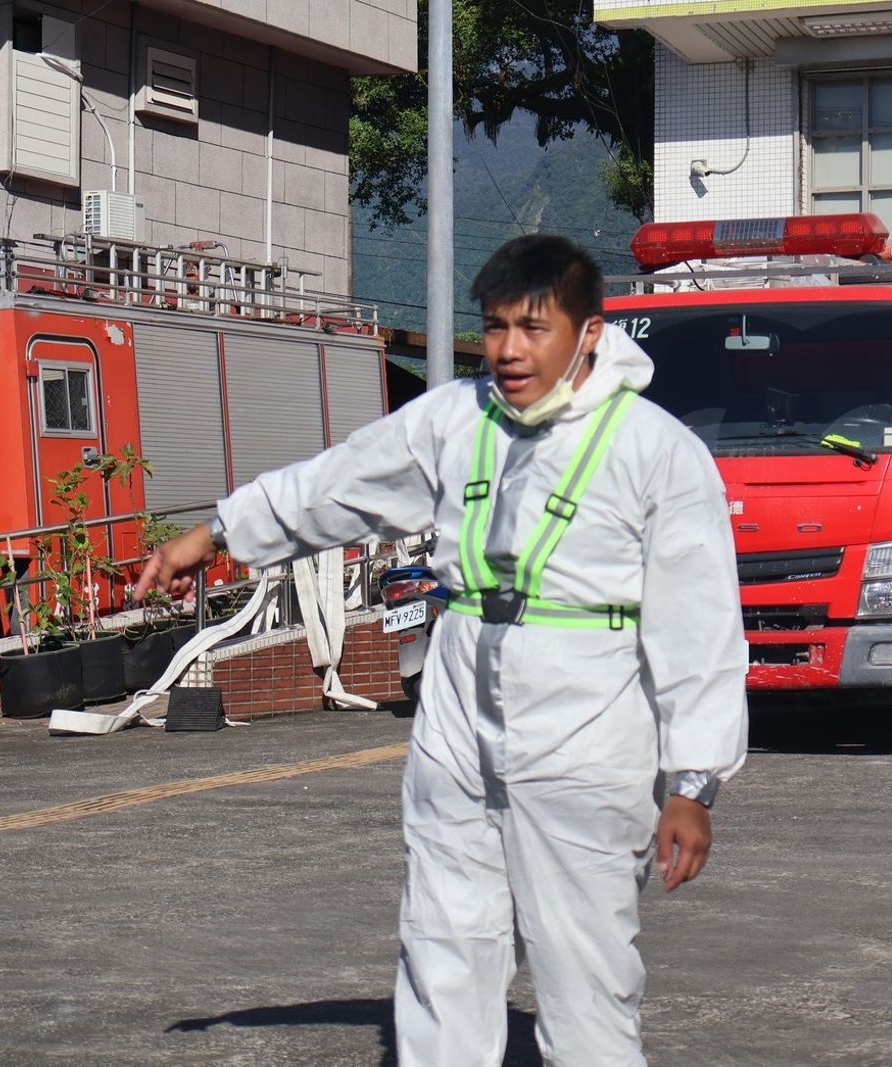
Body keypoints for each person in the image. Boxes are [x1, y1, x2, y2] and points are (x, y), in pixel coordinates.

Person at [135, 235, 748, 1065]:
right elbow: (339, 482)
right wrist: (215, 534)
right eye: (496, 328)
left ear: (591, 333)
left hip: (586, 739)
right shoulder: (457, 417)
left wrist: (694, 782)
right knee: (441, 949)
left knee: (585, 975)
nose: (509, 351)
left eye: (534, 328)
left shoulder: (658, 451)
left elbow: (699, 628)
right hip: (458, 726)